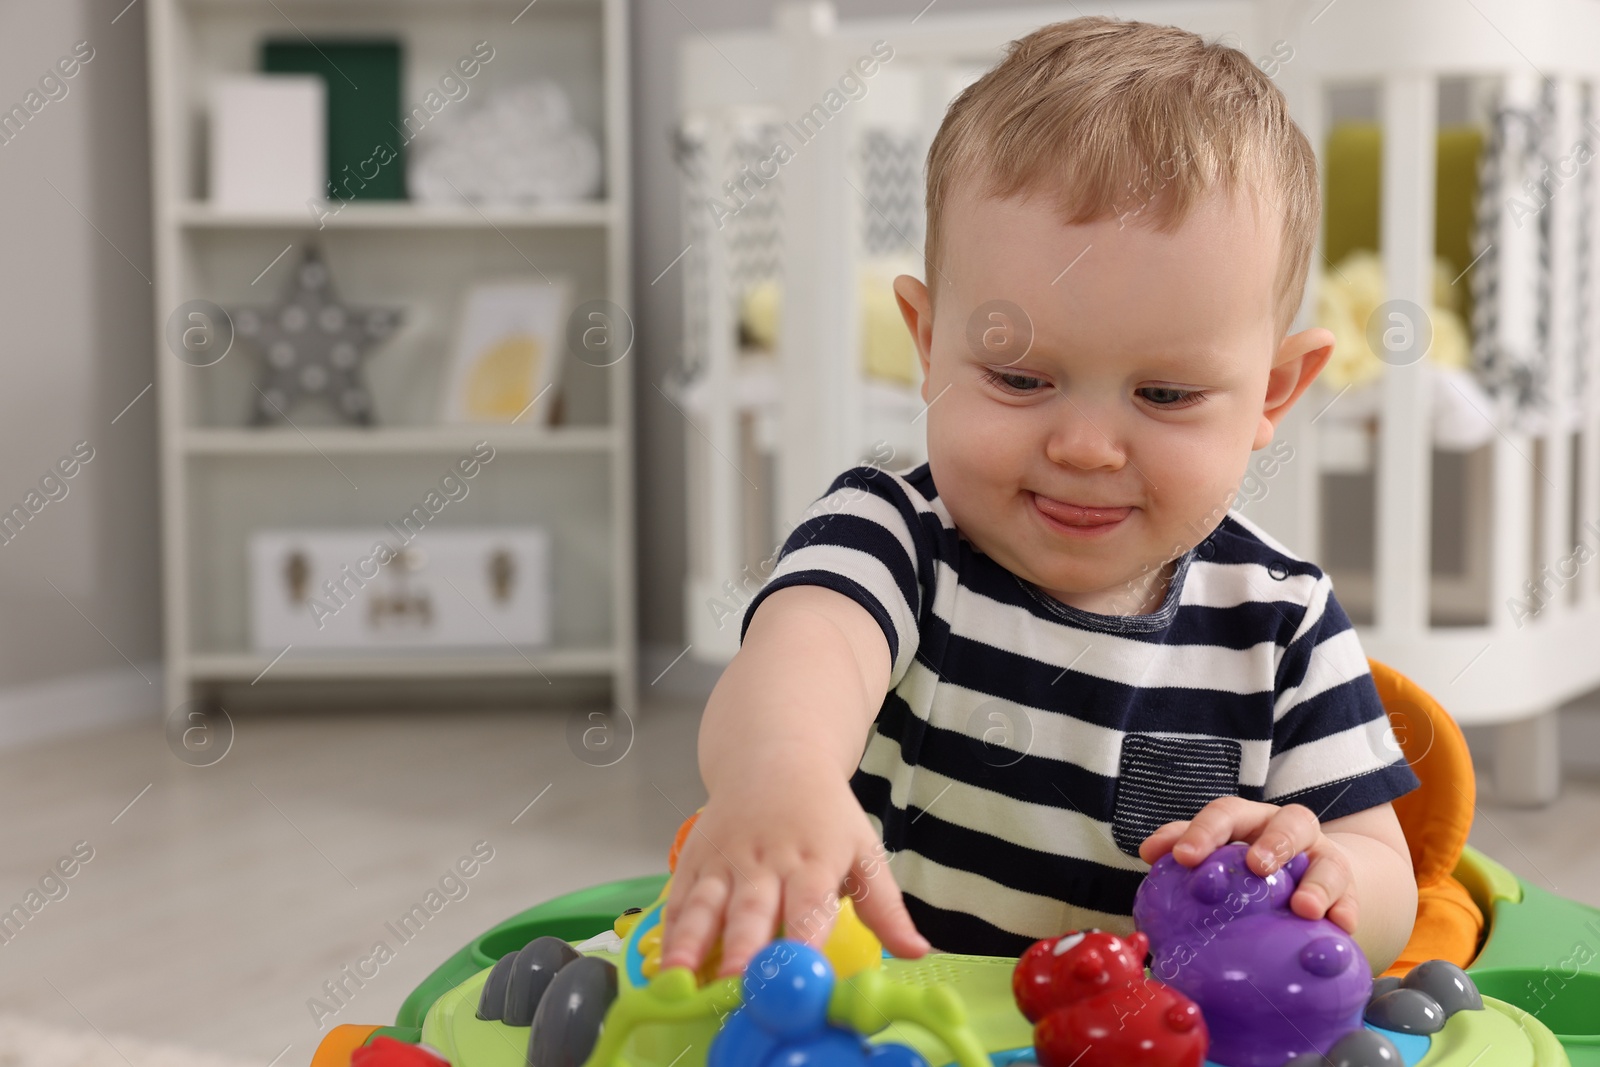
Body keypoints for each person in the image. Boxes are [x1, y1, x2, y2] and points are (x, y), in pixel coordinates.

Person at [659, 15, 1420, 980]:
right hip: (896, 1028)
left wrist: (1322, 870)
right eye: (1020, 379)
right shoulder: (894, 537)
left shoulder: (1283, 622)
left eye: (1165, 394)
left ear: (1274, 393)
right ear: (927, 343)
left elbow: (1391, 879)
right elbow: (803, 660)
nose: (1085, 447)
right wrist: (781, 773)